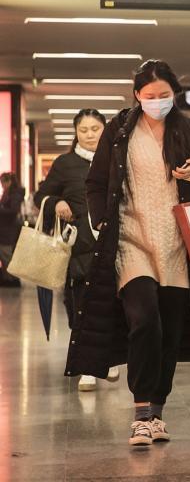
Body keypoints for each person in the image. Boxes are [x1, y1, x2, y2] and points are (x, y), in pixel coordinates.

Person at [65, 60, 190, 447]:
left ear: (175, 95)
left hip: (176, 244)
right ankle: (140, 413)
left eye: (164, 96)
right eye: (150, 96)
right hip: (131, 241)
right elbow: (97, 181)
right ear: (136, 95)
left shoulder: (187, 130)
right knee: (145, 321)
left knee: (169, 331)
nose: (157, 103)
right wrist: (102, 222)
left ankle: (158, 412)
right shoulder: (120, 130)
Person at [34, 109, 120, 391]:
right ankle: (88, 368)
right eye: (84, 130)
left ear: (104, 129)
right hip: (79, 247)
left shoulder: (115, 160)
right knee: (81, 306)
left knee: (112, 303)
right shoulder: (65, 163)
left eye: (95, 128)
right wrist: (55, 202)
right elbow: (40, 196)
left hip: (114, 242)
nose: (90, 134)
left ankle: (106, 358)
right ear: (76, 133)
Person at [0, 172, 25, 287]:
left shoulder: (14, 194)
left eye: (2, 183)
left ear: (8, 182)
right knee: (6, 254)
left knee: (7, 254)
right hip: (6, 228)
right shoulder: (10, 193)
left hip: (8, 229)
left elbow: (13, 210)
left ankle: (12, 279)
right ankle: (8, 278)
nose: (2, 185)